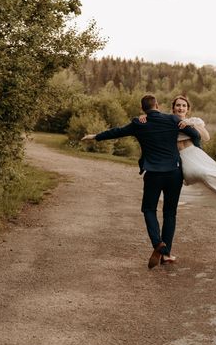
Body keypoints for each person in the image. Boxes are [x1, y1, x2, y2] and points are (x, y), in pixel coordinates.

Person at [81, 94, 200, 269]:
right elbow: (195, 135)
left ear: (142, 108)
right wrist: (196, 156)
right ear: (157, 105)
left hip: (153, 174)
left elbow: (117, 132)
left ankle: (158, 243)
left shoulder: (139, 123)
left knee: (149, 209)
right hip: (174, 172)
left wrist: (94, 136)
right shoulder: (173, 119)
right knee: (170, 212)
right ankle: (166, 255)